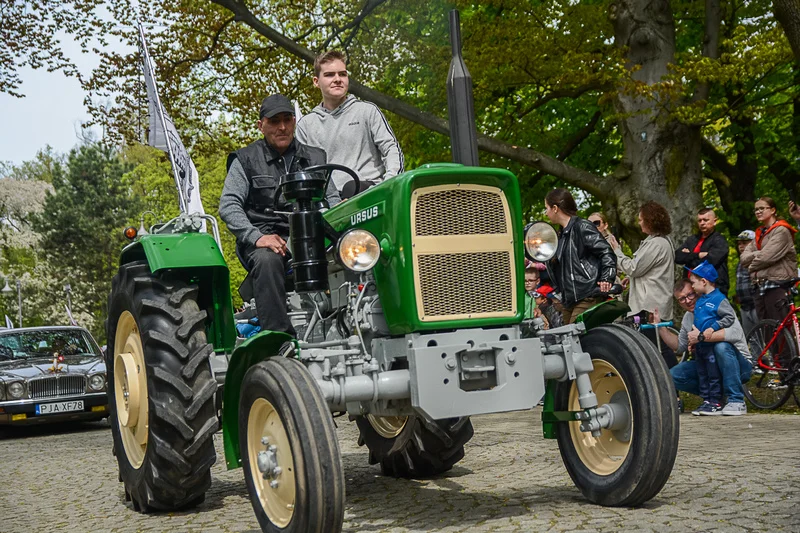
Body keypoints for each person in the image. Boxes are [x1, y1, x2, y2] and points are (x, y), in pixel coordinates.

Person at [220, 94, 340, 335]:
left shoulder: (315, 158)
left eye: (287, 119)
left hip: (311, 235)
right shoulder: (245, 160)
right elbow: (229, 205)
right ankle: (279, 338)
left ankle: (350, 323)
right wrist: (256, 237)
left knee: (355, 250)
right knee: (267, 259)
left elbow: (333, 201)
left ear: (295, 121)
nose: (282, 127)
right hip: (265, 238)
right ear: (261, 125)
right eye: (274, 121)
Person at [297, 50, 404, 192]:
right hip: (330, 203)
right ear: (316, 82)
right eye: (329, 75)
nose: (337, 79)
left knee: (351, 187)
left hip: (369, 192)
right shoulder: (306, 125)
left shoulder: (367, 111)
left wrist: (389, 184)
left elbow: (391, 148)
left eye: (342, 74)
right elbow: (306, 172)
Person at [655, 279, 752, 416]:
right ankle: (714, 400)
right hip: (709, 364)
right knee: (673, 375)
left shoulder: (717, 305)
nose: (688, 301)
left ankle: (736, 400)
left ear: (697, 291)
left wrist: (700, 337)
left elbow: (733, 333)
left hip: (739, 365)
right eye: (682, 299)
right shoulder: (688, 317)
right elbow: (680, 346)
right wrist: (660, 328)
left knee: (721, 347)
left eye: (690, 295)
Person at [608, 201, 677, 367]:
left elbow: (634, 268)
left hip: (649, 306)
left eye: (641, 219)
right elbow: (645, 272)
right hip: (652, 304)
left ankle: (673, 388)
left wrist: (617, 250)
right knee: (657, 349)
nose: (638, 223)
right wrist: (632, 280)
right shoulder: (659, 241)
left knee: (658, 350)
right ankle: (671, 387)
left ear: (650, 220)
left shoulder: (656, 244)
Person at [543, 188, 616, 324]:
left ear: (555, 208)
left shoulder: (582, 226)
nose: (545, 213)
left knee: (576, 337)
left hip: (587, 294)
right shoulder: (560, 236)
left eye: (546, 208)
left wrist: (607, 278)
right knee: (567, 340)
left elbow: (606, 252)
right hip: (569, 299)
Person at [685, 261, 737, 415]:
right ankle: (706, 400)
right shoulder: (701, 299)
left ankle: (716, 401)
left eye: (693, 283)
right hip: (700, 345)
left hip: (711, 346)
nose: (692, 286)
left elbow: (730, 317)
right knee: (702, 373)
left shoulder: (718, 299)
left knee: (713, 373)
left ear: (704, 281)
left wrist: (713, 328)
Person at [739, 196, 798, 324]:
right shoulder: (760, 234)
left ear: (772, 210)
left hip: (777, 284)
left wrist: (751, 267)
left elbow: (766, 258)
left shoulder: (781, 230)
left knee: (781, 330)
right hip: (759, 286)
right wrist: (758, 254)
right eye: (756, 209)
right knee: (767, 332)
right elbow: (743, 258)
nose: (758, 212)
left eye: (762, 208)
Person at [675, 208, 730, 296]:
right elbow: (678, 256)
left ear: (715, 221)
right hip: (690, 288)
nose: (702, 223)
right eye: (699, 220)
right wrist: (699, 255)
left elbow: (710, 262)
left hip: (713, 288)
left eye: (705, 220)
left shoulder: (719, 240)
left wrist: (688, 256)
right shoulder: (692, 239)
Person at [733, 230, 758, 336]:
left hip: (756, 304)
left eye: (745, 243)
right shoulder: (740, 262)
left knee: (764, 334)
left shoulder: (758, 259)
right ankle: (755, 354)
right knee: (750, 337)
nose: (741, 246)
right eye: (739, 244)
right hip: (744, 306)